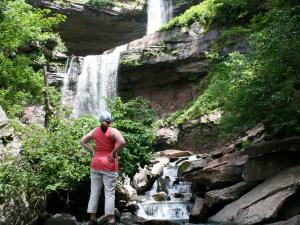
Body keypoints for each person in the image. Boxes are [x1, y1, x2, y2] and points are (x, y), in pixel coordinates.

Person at [80, 111, 126, 225]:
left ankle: (92, 218)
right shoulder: (113, 131)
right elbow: (122, 142)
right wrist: (114, 152)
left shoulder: (94, 131)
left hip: (96, 164)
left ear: (100, 121)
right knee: (109, 193)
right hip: (109, 164)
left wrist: (93, 151)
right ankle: (110, 219)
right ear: (111, 121)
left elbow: (82, 141)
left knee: (94, 192)